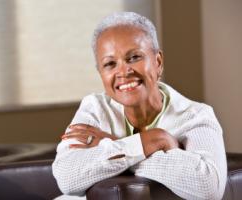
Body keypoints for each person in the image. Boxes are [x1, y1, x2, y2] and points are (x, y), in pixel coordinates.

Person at [52, 12, 227, 200]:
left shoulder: (196, 116)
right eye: (110, 64)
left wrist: (112, 145)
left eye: (134, 57)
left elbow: (209, 187)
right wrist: (152, 141)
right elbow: (67, 176)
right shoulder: (94, 108)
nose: (124, 71)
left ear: (158, 62)